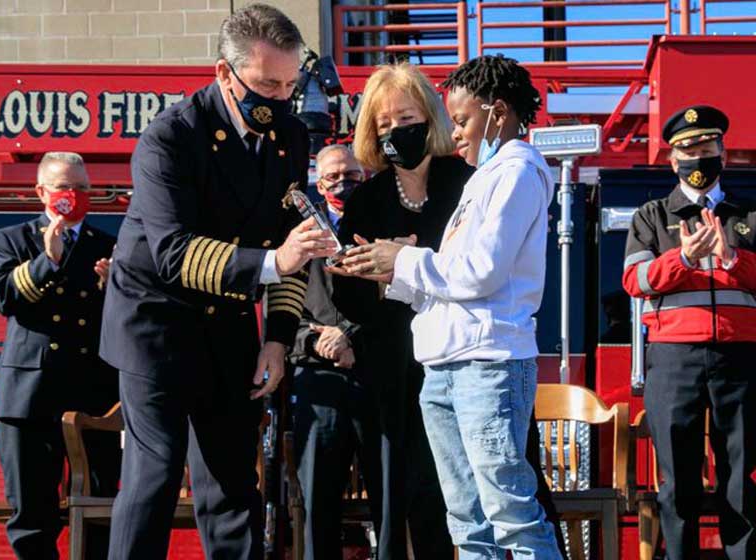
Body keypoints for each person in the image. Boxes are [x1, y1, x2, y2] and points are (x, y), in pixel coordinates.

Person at [99, 5, 337, 559]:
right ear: (223, 74)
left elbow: (291, 240)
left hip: (227, 321)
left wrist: (278, 337)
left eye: (287, 85)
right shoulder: (169, 137)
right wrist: (275, 261)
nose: (277, 99)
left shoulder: (291, 136)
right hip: (152, 322)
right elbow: (173, 253)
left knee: (233, 482)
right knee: (155, 473)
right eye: (264, 85)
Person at [336, 55, 563, 559]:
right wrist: (387, 270)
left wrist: (405, 257)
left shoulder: (517, 169)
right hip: (444, 363)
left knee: (510, 513)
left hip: (485, 364)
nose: (454, 133)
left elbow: (481, 271)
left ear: (497, 112)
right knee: (467, 519)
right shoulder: (486, 176)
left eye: (460, 120)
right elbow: (450, 282)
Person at [623, 105, 755, 560]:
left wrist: (735, 258)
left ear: (722, 151)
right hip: (673, 360)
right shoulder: (652, 216)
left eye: (707, 147)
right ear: (671, 159)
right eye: (689, 150)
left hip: (739, 360)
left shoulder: (748, 215)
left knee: (740, 475)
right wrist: (682, 259)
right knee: (677, 478)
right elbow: (635, 282)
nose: (699, 158)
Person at [0, 151, 120, 560]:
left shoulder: (108, 244)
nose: (74, 195)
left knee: (100, 508)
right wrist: (49, 261)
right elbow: (4, 298)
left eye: (82, 188)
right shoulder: (12, 239)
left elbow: (131, 321)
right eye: (65, 187)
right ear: (41, 191)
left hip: (95, 397)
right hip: (31, 394)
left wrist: (113, 289)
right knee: (32, 513)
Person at [290, 144, 378, 559]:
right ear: (318, 182)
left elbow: (400, 305)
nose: (344, 183)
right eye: (334, 176)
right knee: (317, 499)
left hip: (375, 376)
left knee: (390, 494)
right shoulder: (299, 233)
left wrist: (351, 338)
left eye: (354, 176)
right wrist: (317, 341)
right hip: (319, 380)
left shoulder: (383, 223)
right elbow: (280, 312)